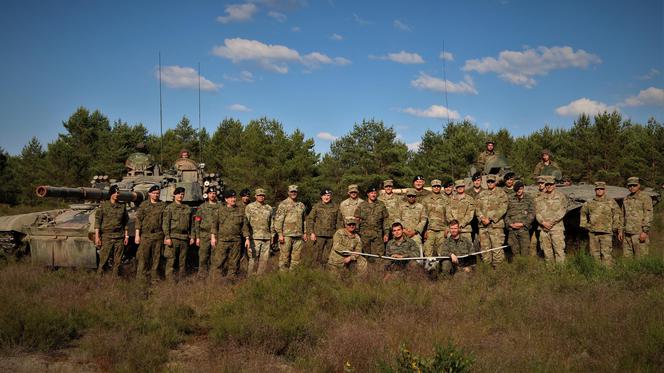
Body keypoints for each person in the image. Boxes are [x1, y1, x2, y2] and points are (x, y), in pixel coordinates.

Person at [580, 182, 622, 266]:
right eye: (597, 189)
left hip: (606, 233)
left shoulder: (611, 202)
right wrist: (585, 225)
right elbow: (583, 213)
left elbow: (617, 214)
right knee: (594, 254)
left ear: (604, 190)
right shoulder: (589, 202)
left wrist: (615, 226)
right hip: (593, 233)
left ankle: (607, 272)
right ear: (595, 190)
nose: (599, 190)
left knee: (606, 254)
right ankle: (597, 270)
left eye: (601, 189)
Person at [210, 190, 250, 279]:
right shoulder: (220, 210)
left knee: (234, 263)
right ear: (226, 199)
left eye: (234, 197)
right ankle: (215, 281)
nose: (233, 199)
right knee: (219, 262)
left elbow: (244, 226)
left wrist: (247, 238)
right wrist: (213, 237)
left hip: (236, 241)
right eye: (231, 198)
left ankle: (231, 280)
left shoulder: (240, 211)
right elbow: (214, 225)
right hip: (222, 241)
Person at [95, 184, 129, 275]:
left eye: (118, 193)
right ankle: (99, 278)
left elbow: (126, 222)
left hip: (119, 236)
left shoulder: (122, 206)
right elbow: (98, 221)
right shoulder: (103, 206)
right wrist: (97, 237)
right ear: (111, 194)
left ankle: (114, 280)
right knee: (103, 260)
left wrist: (126, 236)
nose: (117, 194)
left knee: (117, 261)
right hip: (106, 236)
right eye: (115, 192)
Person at [475, 174, 508, 266]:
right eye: (488, 181)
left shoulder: (501, 194)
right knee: (485, 250)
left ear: (495, 182)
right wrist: (482, 218)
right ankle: (487, 270)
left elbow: (503, 208)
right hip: (483, 226)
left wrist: (490, 219)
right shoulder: (481, 194)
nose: (490, 183)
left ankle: (498, 271)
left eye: (492, 181)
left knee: (497, 249)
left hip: (495, 226)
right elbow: (477, 208)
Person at [134, 184, 165, 281]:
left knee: (156, 258)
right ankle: (141, 279)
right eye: (154, 193)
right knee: (143, 258)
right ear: (150, 194)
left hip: (158, 235)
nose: (156, 195)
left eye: (157, 193)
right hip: (146, 235)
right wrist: (137, 235)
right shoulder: (144, 205)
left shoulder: (163, 205)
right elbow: (139, 220)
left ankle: (154, 278)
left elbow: (165, 221)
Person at [162, 187, 194, 280]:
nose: (181, 196)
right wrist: (167, 237)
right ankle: (170, 281)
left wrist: (192, 236)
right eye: (179, 194)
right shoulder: (169, 208)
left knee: (182, 261)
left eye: (182, 194)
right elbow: (165, 223)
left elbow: (192, 224)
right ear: (174, 195)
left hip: (184, 237)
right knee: (171, 260)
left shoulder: (187, 208)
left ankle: (181, 280)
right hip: (173, 237)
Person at [274, 185, 308, 271]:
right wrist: (280, 234)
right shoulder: (283, 204)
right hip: (286, 235)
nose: (293, 193)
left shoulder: (301, 205)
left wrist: (305, 233)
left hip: (298, 235)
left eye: (295, 192)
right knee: (284, 258)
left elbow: (304, 220)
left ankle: (293, 277)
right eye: (292, 192)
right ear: (288, 193)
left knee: (296, 259)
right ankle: (283, 278)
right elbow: (278, 220)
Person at [535, 175, 567, 263]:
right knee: (547, 251)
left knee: (559, 251)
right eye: (547, 184)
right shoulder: (539, 198)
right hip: (543, 228)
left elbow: (562, 211)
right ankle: (550, 272)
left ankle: (560, 272)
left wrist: (552, 222)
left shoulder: (561, 197)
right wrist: (543, 222)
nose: (549, 186)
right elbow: (537, 212)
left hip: (557, 227)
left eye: (551, 184)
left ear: (554, 185)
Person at [307, 188, 340, 267]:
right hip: (319, 235)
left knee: (332, 255)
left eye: (328, 195)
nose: (326, 197)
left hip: (332, 235)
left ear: (331, 196)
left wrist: (338, 234)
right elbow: (310, 219)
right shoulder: (317, 206)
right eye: (324, 195)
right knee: (317, 255)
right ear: (321, 197)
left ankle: (330, 270)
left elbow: (339, 221)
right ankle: (317, 270)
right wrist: (311, 233)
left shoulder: (336, 207)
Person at [621, 177, 653, 258]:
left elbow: (648, 214)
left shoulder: (645, 197)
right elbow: (622, 215)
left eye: (634, 185)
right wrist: (620, 230)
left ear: (639, 185)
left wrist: (645, 231)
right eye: (630, 186)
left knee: (641, 259)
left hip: (639, 233)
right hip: (627, 234)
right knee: (627, 260)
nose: (632, 187)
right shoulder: (626, 199)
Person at [244, 188, 273, 275]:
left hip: (266, 238)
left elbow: (271, 223)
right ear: (255, 196)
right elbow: (246, 223)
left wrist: (272, 235)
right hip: (254, 237)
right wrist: (247, 237)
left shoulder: (269, 208)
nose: (261, 197)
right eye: (259, 195)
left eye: (263, 195)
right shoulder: (250, 207)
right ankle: (250, 279)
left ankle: (260, 278)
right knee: (252, 259)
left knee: (264, 260)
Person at [355, 185, 390, 257]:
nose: (373, 195)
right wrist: (356, 233)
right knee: (366, 255)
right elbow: (357, 219)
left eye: (375, 193)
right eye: (371, 193)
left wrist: (386, 233)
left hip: (378, 233)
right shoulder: (362, 205)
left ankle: (379, 267)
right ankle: (368, 268)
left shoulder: (381, 204)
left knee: (380, 254)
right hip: (364, 233)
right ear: (368, 194)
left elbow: (385, 219)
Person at [193, 186, 220, 277]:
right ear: (207, 195)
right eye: (211, 193)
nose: (212, 195)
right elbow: (197, 222)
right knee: (203, 256)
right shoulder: (202, 207)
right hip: (204, 235)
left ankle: (213, 276)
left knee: (215, 257)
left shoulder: (220, 207)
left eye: (214, 193)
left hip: (216, 235)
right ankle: (201, 275)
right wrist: (197, 237)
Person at [505, 181, 535, 257]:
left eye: (520, 189)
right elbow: (506, 214)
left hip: (524, 230)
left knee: (525, 252)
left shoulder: (529, 199)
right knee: (515, 253)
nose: (519, 190)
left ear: (523, 189)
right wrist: (510, 224)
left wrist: (523, 224)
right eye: (517, 189)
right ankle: (517, 267)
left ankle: (525, 268)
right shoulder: (510, 199)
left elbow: (532, 214)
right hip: (512, 230)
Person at [398, 188, 428, 254]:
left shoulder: (421, 207)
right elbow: (398, 219)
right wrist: (403, 230)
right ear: (407, 197)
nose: (411, 197)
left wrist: (415, 231)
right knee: (401, 251)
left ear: (415, 196)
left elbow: (423, 220)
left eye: (413, 196)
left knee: (417, 251)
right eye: (409, 196)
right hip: (403, 233)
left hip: (415, 234)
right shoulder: (401, 207)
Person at [422, 179, 447, 257]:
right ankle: (429, 268)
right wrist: (424, 230)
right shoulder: (425, 200)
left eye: (438, 186)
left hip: (442, 230)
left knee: (442, 252)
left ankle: (441, 268)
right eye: (434, 186)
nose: (436, 188)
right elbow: (423, 216)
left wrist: (447, 228)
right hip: (430, 230)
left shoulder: (445, 199)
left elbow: (449, 215)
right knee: (428, 251)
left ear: (440, 187)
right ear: (432, 187)